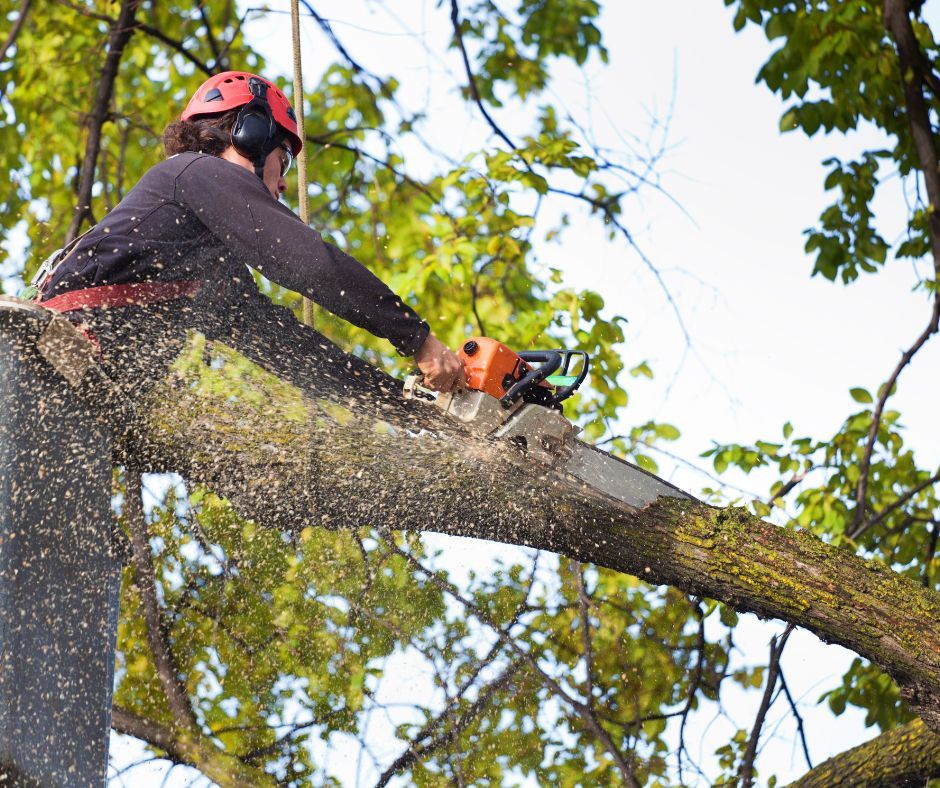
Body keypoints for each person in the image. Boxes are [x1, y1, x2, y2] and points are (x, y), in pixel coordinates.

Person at [36, 70, 466, 401]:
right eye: (286, 159)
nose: (282, 184)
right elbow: (311, 263)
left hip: (77, 388)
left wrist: (405, 402)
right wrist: (417, 338)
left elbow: (288, 349)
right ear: (252, 134)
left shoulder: (207, 263)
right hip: (49, 358)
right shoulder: (193, 173)